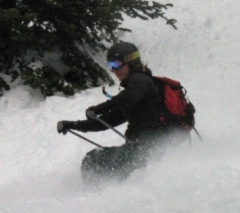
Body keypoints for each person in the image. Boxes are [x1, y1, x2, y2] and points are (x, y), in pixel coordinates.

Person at [57, 41, 187, 183]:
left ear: (130, 61)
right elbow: (107, 121)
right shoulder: (135, 92)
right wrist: (72, 125)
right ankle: (106, 197)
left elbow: (128, 97)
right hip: (141, 145)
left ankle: (101, 199)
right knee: (95, 159)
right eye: (111, 66)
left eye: (117, 64)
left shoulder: (141, 80)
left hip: (150, 144)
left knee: (94, 160)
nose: (115, 70)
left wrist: (99, 108)